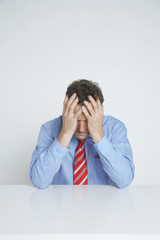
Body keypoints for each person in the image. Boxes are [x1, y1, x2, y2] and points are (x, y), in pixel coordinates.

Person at [29, 79, 135, 189]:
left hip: (103, 203)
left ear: (100, 112)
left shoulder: (115, 129)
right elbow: (39, 181)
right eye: (76, 120)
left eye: (88, 120)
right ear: (65, 111)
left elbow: (124, 180)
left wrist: (98, 136)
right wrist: (65, 133)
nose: (81, 128)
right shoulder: (49, 129)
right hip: (61, 204)